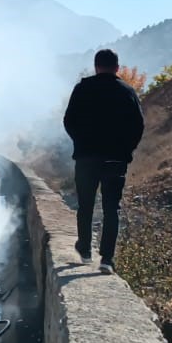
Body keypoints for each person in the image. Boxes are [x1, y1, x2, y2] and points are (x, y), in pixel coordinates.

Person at [62, 48, 145, 275]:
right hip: (116, 159)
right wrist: (126, 149)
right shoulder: (127, 92)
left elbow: (69, 121)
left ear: (96, 66)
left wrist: (80, 142)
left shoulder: (82, 89)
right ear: (117, 68)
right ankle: (107, 259)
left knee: (85, 205)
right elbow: (138, 126)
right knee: (111, 208)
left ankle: (85, 251)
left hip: (86, 157)